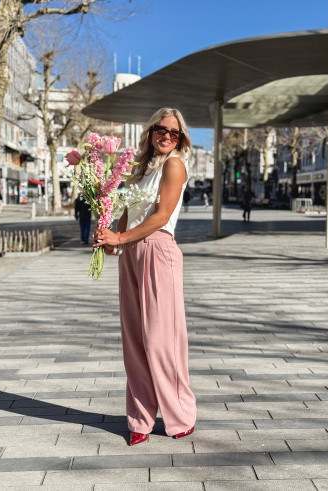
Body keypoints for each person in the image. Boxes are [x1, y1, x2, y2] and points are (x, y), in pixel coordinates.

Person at [93, 108, 196, 446]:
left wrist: (122, 238)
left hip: (158, 250)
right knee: (134, 340)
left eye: (174, 133)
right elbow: (126, 211)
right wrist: (111, 242)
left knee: (160, 339)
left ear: (180, 139)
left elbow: (162, 214)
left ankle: (180, 414)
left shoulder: (174, 165)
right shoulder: (138, 168)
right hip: (132, 254)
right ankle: (140, 417)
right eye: (161, 129)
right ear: (150, 131)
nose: (167, 136)